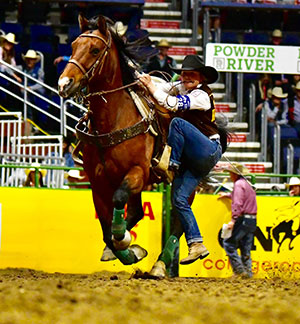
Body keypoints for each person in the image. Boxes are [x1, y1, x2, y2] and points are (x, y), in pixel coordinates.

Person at [139, 55, 226, 265]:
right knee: (179, 199)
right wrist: (143, 79)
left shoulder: (201, 96)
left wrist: (151, 86)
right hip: (197, 158)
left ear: (201, 78)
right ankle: (196, 244)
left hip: (208, 149)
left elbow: (169, 102)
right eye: (184, 73)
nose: (186, 77)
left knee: (176, 122)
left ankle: (172, 163)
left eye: (192, 74)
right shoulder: (184, 87)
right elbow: (165, 87)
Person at [218, 163, 257, 278]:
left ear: (234, 174)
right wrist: (229, 195)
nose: (230, 175)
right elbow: (242, 197)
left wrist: (233, 220)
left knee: (229, 243)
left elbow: (238, 203)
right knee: (246, 248)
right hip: (252, 220)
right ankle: (248, 273)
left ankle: (239, 271)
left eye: (230, 173)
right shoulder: (247, 184)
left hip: (243, 219)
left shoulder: (238, 185)